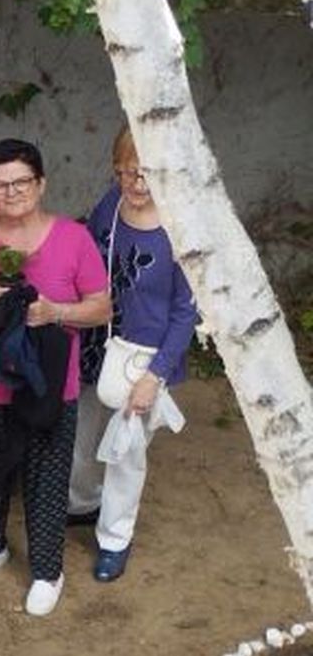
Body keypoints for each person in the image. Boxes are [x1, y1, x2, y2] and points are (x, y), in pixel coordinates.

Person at [0, 138, 111, 617]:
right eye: (1, 185)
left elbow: (101, 308)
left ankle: (46, 571)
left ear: (40, 184)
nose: (12, 192)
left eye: (21, 182)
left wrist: (56, 311)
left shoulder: (73, 239)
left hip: (46, 384)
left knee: (46, 476)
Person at [68, 125, 197, 582]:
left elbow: (186, 313)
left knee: (126, 453)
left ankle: (114, 538)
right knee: (82, 434)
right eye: (127, 173)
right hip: (97, 342)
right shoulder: (112, 205)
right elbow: (87, 253)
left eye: (147, 175)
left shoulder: (182, 230)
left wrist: (154, 375)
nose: (137, 185)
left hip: (144, 357)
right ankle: (83, 503)